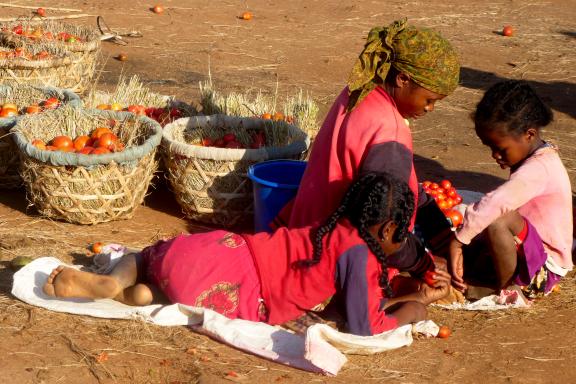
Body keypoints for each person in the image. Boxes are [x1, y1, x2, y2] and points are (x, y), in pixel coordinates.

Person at [43, 172, 451, 336]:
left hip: (220, 251)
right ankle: (135, 294)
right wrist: (415, 307)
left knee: (148, 257)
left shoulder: (333, 228)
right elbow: (364, 325)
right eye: (403, 235)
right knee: (168, 288)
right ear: (386, 229)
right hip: (235, 292)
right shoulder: (361, 255)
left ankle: (118, 281)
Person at [272, 18, 460, 263]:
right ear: (402, 79)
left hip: (307, 228)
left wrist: (440, 232)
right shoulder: (389, 131)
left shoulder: (359, 91)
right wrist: (421, 264)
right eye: (429, 99)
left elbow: (400, 181)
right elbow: (382, 229)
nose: (430, 108)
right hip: (338, 254)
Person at [449, 80, 573, 299]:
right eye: (490, 148)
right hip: (529, 250)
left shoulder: (539, 169)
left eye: (500, 148)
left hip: (542, 270)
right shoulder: (536, 157)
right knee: (484, 216)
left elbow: (499, 202)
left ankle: (508, 289)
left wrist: (460, 238)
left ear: (529, 135)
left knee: (498, 218)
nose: (494, 155)